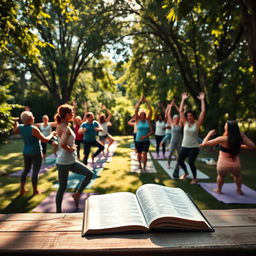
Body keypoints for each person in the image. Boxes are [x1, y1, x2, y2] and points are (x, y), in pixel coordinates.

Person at [54, 104, 94, 213]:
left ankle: (77, 194)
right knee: (62, 187)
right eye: (71, 112)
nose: (73, 114)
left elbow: (62, 141)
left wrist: (70, 147)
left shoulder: (62, 125)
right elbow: (62, 144)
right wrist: (70, 149)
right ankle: (58, 212)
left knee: (90, 174)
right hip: (63, 163)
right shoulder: (65, 128)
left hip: (70, 161)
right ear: (66, 115)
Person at [200, 121, 256, 195]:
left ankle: (219, 190)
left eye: (225, 125)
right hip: (236, 164)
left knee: (221, 176)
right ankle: (239, 190)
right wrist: (244, 137)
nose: (224, 126)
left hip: (223, 164)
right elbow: (253, 146)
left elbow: (204, 144)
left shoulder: (222, 139)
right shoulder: (239, 138)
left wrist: (209, 134)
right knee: (237, 176)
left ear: (228, 128)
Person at [12, 111, 56, 196]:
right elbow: (45, 140)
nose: (34, 118)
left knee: (26, 170)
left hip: (26, 152)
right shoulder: (33, 129)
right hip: (36, 152)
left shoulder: (20, 128)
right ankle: (35, 191)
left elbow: (15, 130)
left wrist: (15, 122)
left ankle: (22, 190)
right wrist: (52, 134)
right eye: (32, 117)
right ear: (29, 119)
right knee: (35, 171)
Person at [178, 92, 206, 184]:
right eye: (188, 116)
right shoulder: (185, 123)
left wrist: (202, 100)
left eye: (191, 116)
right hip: (185, 146)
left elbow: (203, 112)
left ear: (194, 116)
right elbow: (181, 111)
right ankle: (186, 173)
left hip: (194, 147)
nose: (189, 117)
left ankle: (194, 178)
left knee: (191, 163)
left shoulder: (197, 124)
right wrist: (183, 99)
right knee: (180, 161)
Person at [134, 95, 153, 171]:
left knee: (145, 153)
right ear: (139, 116)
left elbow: (151, 110)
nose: (142, 116)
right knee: (139, 154)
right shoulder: (137, 120)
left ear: (145, 116)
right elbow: (136, 110)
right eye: (141, 115)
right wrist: (140, 101)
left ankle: (144, 166)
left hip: (146, 140)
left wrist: (146, 102)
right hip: (138, 140)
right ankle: (139, 164)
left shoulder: (148, 121)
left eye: (144, 115)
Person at [166, 101, 183, 175]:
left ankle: (179, 165)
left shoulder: (180, 123)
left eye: (177, 118)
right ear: (173, 119)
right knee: (170, 153)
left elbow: (181, 113)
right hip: (173, 141)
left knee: (179, 154)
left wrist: (176, 105)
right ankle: (168, 164)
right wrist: (170, 107)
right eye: (175, 118)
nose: (176, 119)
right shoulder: (172, 124)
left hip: (179, 141)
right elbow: (168, 115)